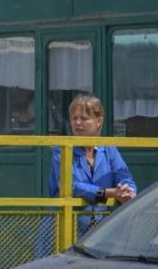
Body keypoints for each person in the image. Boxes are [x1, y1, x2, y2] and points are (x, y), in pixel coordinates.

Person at [49, 95, 136, 235]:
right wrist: (109, 193)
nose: (77, 123)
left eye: (84, 118)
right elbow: (72, 186)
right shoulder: (62, 150)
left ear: (99, 121)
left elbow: (125, 176)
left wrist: (128, 191)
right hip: (65, 229)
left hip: (100, 231)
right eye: (74, 118)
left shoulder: (109, 149)